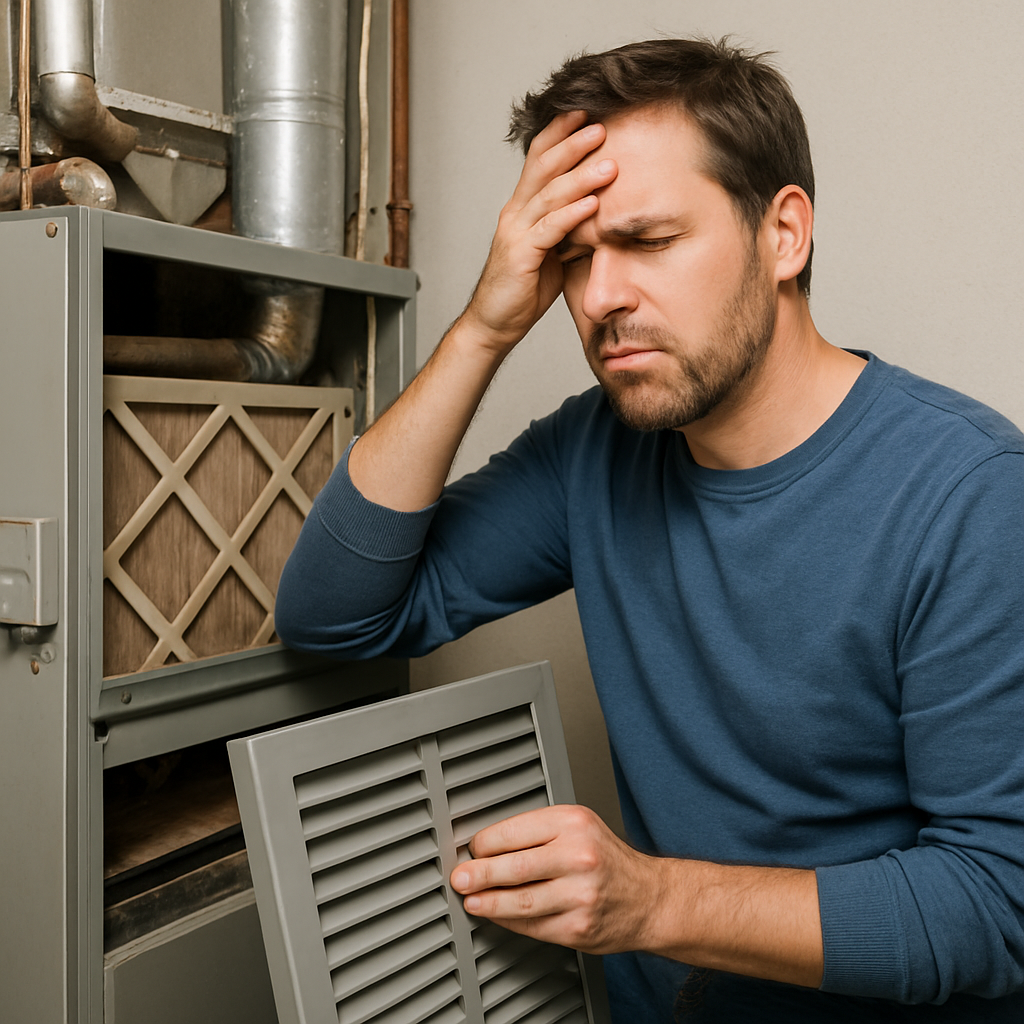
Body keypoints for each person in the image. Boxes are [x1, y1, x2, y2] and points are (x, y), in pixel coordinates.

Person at [275, 38, 1024, 1020]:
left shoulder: (972, 492)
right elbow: (333, 616)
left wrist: (653, 901)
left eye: (649, 241)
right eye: (574, 257)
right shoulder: (593, 451)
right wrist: (485, 327)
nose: (599, 298)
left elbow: (997, 904)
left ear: (783, 234)